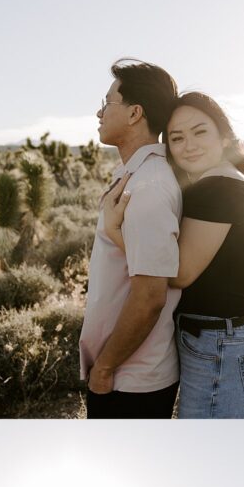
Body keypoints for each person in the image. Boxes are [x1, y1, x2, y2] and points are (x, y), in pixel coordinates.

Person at [102, 92, 244, 418]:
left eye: (200, 132)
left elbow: (179, 273)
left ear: (223, 137)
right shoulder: (214, 182)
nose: (189, 145)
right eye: (177, 138)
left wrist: (114, 233)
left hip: (221, 349)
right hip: (219, 344)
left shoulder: (220, 187)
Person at [79, 59, 182, 420]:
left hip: (132, 379)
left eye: (107, 103)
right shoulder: (135, 175)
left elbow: (150, 295)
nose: (99, 112)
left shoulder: (149, 187)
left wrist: (105, 368)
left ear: (135, 112)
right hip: (126, 371)